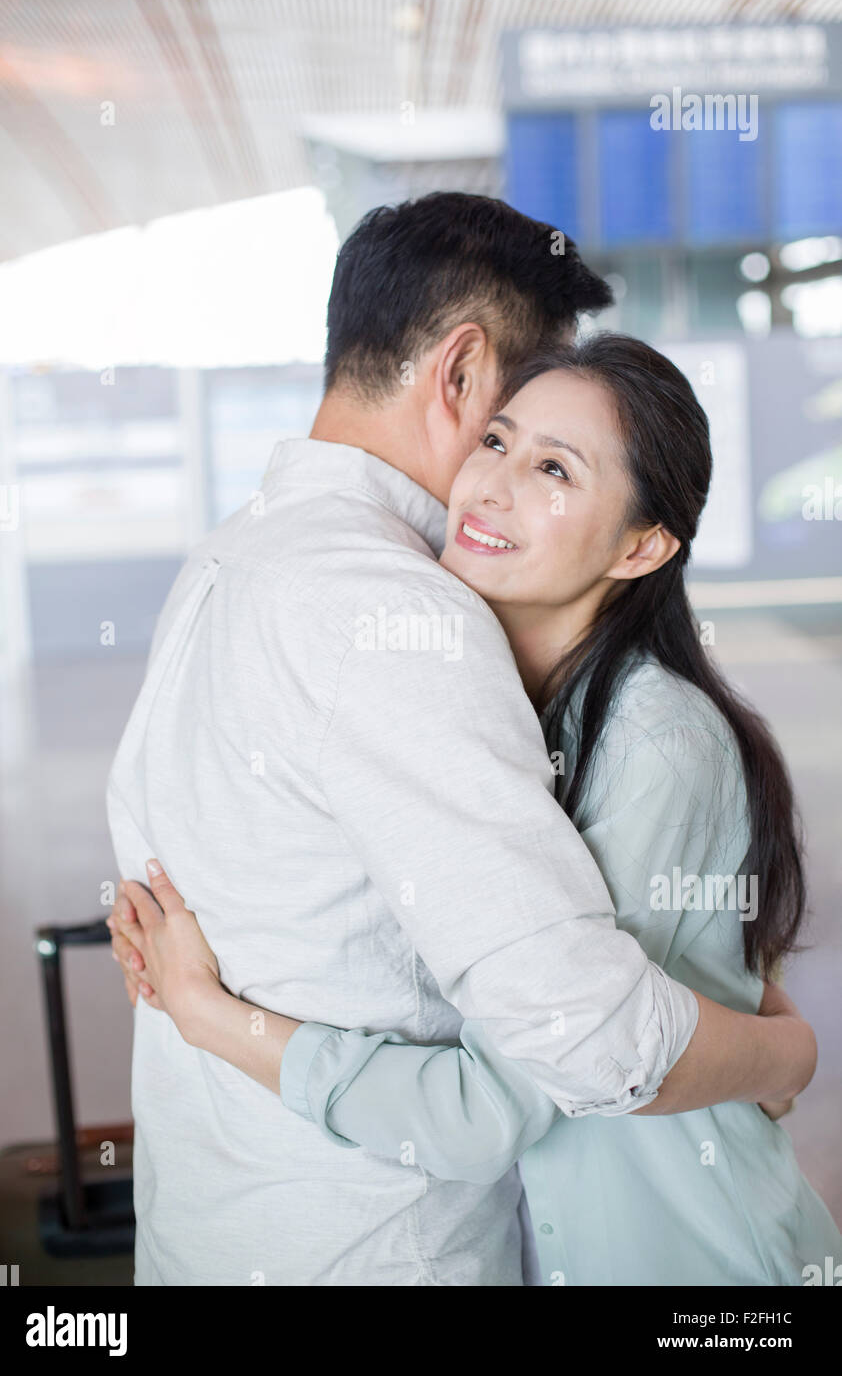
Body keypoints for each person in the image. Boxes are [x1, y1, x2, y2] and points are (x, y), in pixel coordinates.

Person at [106, 195, 817, 1287]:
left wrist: (204, 1008)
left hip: (210, 1221)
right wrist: (781, 1050)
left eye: (554, 465)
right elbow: (585, 1039)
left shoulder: (223, 561)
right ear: (460, 372)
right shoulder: (398, 613)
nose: (494, 481)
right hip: (364, 1247)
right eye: (502, 434)